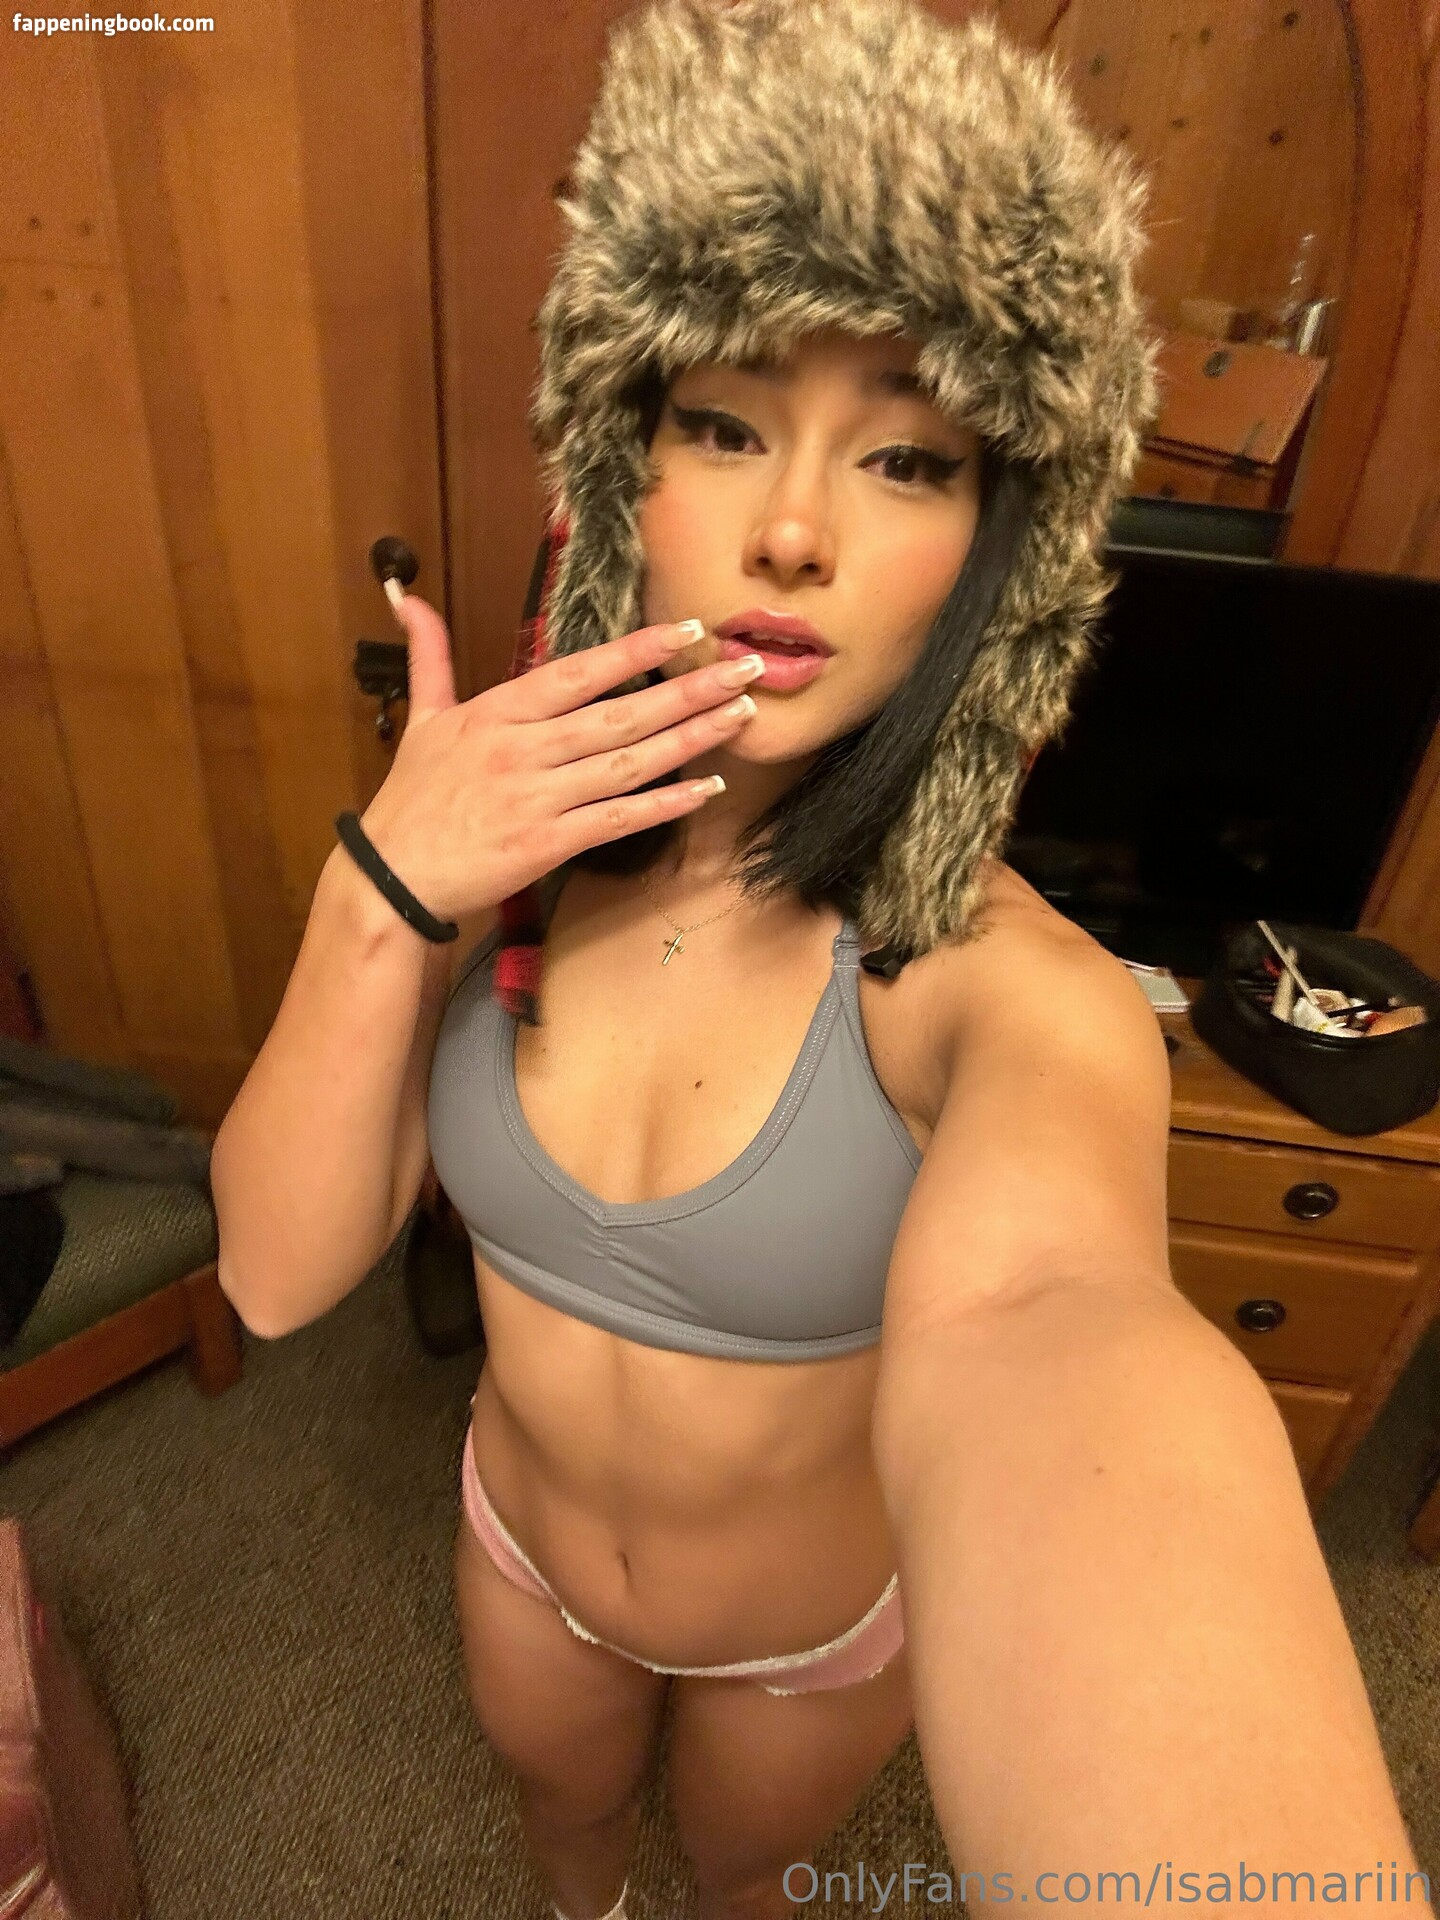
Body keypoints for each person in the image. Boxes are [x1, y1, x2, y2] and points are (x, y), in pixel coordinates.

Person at [211, 4, 1435, 1919]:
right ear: (619, 475)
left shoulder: (1001, 993)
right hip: (521, 1552)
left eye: (908, 460)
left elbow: (1066, 1330)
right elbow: (277, 1280)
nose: (790, 531)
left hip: (809, 1636)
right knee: (566, 1850)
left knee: (737, 1884)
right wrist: (381, 891)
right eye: (723, 425)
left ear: (996, 550)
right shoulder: (490, 866)